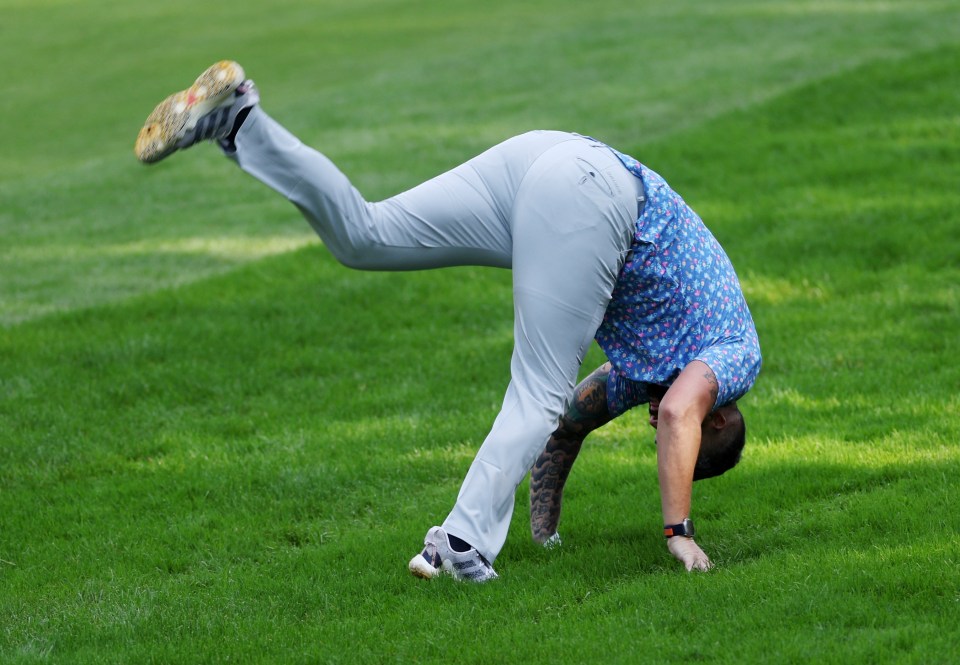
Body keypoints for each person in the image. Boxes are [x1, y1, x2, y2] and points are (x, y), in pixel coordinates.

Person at [135, 61, 762, 582]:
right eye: (680, 445)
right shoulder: (735, 354)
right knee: (536, 390)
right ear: (723, 413)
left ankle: (240, 120)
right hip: (590, 196)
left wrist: (546, 533)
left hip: (553, 160)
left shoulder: (649, 377)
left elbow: (568, 429)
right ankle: (462, 542)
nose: (662, 428)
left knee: (365, 237)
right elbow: (682, 412)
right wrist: (678, 533)